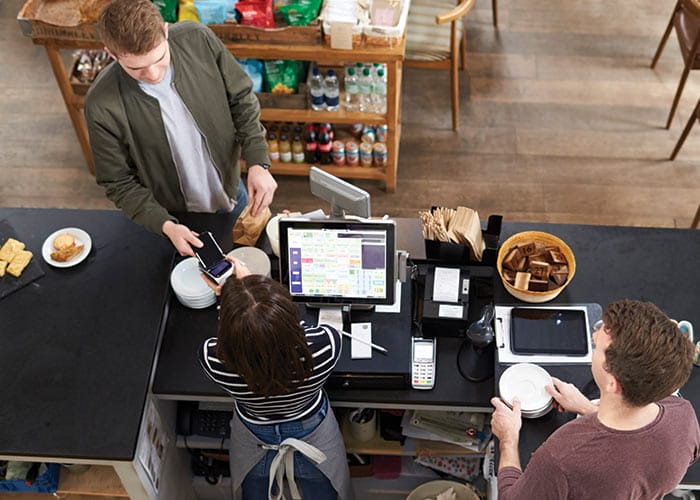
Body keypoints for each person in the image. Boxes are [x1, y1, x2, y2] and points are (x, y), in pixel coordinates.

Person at [85, 0, 277, 256]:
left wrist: (257, 161)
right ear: (111, 53)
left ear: (165, 31)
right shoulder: (101, 104)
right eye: (137, 68)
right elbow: (118, 182)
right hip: (170, 214)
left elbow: (241, 99)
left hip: (230, 190)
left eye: (160, 58)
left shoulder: (197, 39)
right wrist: (165, 225)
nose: (153, 74)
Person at [491, 299, 700, 499]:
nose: (594, 337)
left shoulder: (562, 456)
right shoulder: (684, 416)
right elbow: (636, 448)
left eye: (598, 348)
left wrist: (508, 438)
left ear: (612, 383)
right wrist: (585, 407)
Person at [198, 257, 353, 500]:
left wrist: (232, 297)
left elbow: (227, 338)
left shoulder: (214, 360)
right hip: (314, 436)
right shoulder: (326, 347)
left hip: (253, 440)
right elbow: (307, 329)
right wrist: (248, 290)